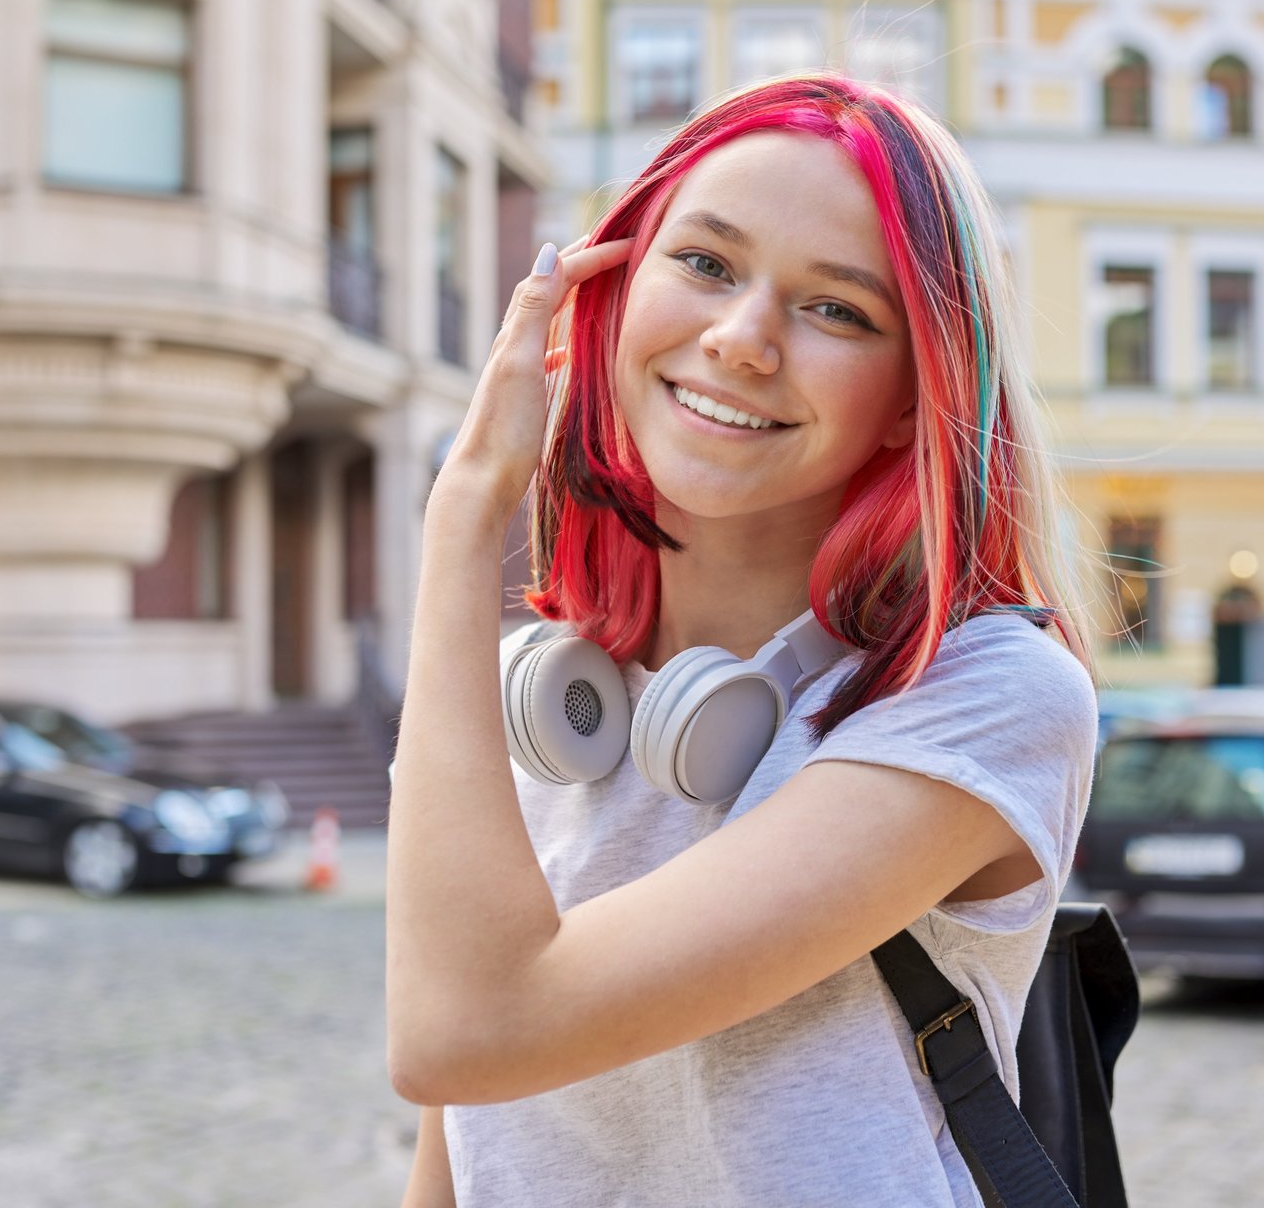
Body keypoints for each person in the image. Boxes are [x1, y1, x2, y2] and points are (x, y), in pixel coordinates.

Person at [386, 70, 1100, 1207]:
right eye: (706, 263)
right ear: (610, 292)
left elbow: (467, 1028)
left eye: (838, 309)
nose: (742, 339)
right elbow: (463, 1145)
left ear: (917, 396)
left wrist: (466, 510)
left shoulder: (986, 696)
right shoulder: (556, 704)